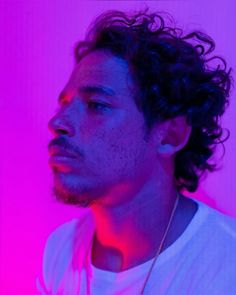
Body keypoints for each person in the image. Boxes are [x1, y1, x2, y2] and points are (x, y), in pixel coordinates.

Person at [36, 8, 236, 295]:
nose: (57, 122)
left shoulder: (227, 267)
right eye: (64, 104)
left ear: (170, 134)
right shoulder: (60, 251)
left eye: (96, 105)